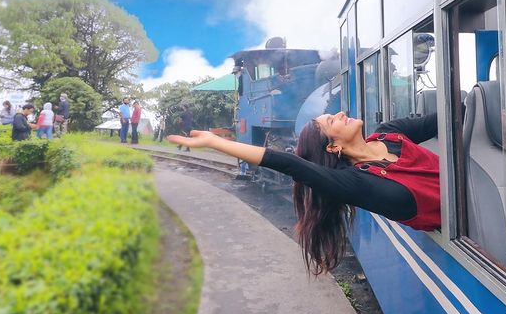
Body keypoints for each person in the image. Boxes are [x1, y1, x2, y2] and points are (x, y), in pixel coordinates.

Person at [170, 110, 440, 274]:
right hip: (466, 225)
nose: (342, 114)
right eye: (333, 120)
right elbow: (289, 163)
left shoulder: (390, 134)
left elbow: (448, 116)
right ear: (332, 148)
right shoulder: (354, 183)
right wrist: (215, 142)